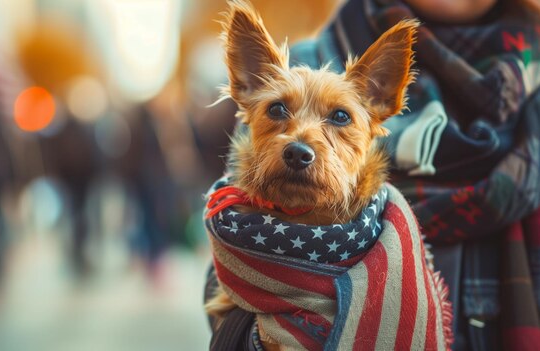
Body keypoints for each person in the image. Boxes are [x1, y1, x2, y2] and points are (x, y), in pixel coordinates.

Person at [206, 0, 540, 350]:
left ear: (383, 95)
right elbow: (221, 291)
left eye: (338, 118)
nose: (300, 142)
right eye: (278, 110)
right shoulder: (312, 52)